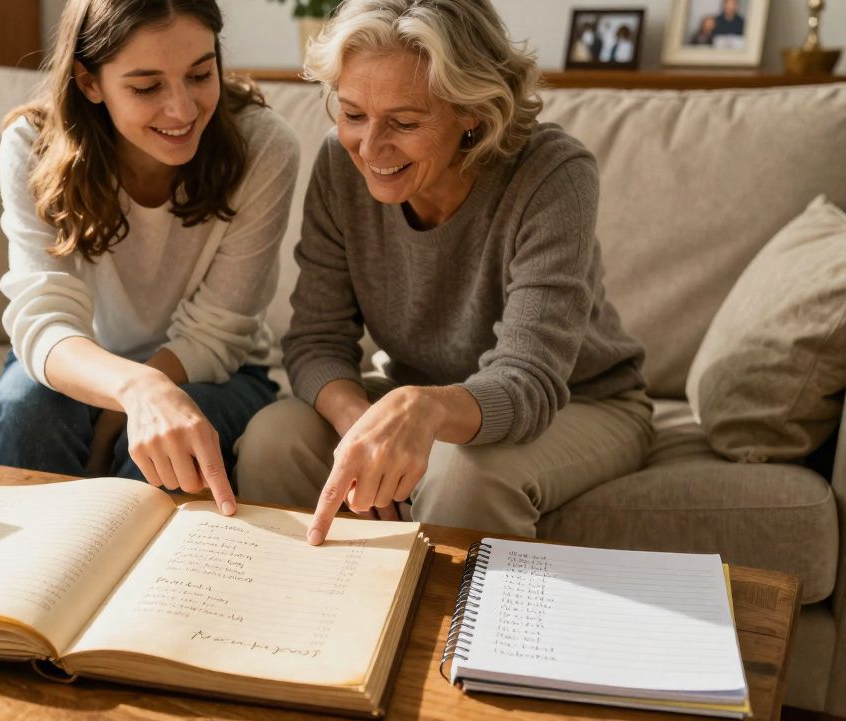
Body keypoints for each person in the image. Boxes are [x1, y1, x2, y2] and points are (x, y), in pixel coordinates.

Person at [235, 0, 653, 545]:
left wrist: (421, 409)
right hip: (416, 390)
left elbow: (528, 381)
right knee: (275, 437)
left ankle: (451, 632)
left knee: (464, 475)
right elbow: (316, 339)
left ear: (472, 111)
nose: (371, 147)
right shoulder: (339, 161)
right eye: (353, 113)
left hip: (582, 400)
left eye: (405, 122)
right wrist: (365, 428)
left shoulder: (553, 174)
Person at [0, 0, 300, 515]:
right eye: (147, 87)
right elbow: (43, 322)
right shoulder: (32, 144)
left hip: (214, 372)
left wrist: (119, 422)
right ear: (89, 82)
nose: (183, 109)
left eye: (200, 74)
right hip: (84, 362)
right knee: (25, 412)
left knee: (180, 437)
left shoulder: (263, 146)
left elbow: (217, 332)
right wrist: (135, 390)